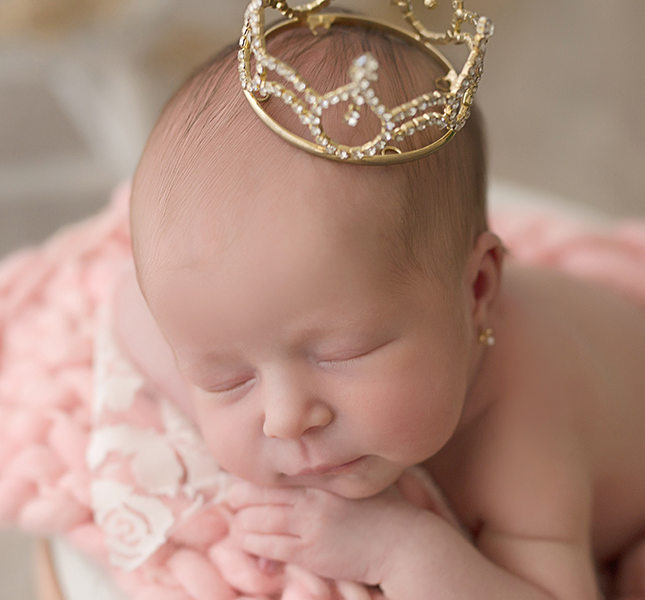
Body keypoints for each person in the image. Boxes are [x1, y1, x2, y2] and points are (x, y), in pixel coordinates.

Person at [118, 7, 645, 600]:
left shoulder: (522, 440)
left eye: (344, 352)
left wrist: (401, 550)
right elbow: (130, 313)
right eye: (227, 378)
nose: (286, 418)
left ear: (476, 292)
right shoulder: (239, 309)